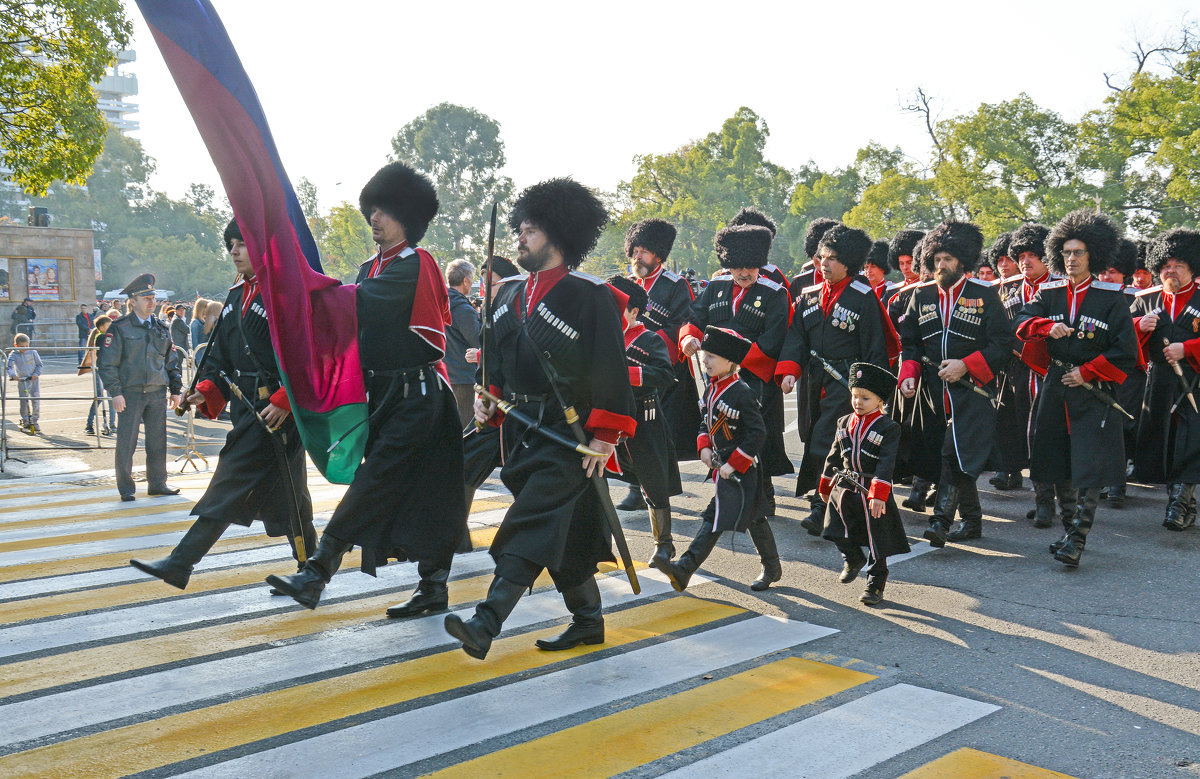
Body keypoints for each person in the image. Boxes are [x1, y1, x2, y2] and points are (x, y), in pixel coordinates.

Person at [444, 177, 636, 660]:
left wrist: (606, 436)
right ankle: (589, 622)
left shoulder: (591, 296)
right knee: (562, 534)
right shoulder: (507, 294)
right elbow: (494, 362)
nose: (520, 239)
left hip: (570, 436)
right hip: (521, 432)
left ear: (555, 234)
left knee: (529, 526)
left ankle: (486, 623)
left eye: (529, 231)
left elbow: (610, 366)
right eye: (519, 230)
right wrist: (488, 399)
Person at [267, 162, 468, 610]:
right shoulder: (370, 267)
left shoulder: (417, 264)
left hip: (420, 397)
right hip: (389, 398)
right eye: (371, 209)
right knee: (427, 495)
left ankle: (317, 573)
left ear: (407, 216)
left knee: (372, 483)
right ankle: (433, 589)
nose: (374, 217)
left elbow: (357, 307)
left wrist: (304, 286)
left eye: (384, 209)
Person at [130, 220, 316, 590]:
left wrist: (284, 400)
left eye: (242, 243)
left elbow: (306, 354)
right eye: (231, 243)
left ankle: (181, 562)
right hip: (247, 409)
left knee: (228, 484)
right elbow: (220, 359)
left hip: (276, 412)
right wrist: (206, 388)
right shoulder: (235, 295)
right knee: (292, 497)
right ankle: (311, 572)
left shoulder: (284, 294)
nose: (233, 250)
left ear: (263, 248)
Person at [1014, 209, 1136, 566]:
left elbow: (1126, 352)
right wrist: (1043, 327)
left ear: (1092, 255)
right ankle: (1069, 531)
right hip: (1056, 386)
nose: (1071, 259)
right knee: (1057, 461)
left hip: (1093, 390)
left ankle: (1078, 539)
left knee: (1091, 467)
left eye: (1078, 252)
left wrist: (1088, 372)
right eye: (1065, 252)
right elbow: (1021, 322)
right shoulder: (1048, 293)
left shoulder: (1111, 297)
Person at [898, 221, 1013, 547]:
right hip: (934, 392)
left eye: (947, 259)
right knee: (954, 457)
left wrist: (967, 365)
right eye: (936, 259)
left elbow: (1003, 345)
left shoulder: (985, 295)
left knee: (953, 453)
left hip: (973, 390)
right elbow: (911, 344)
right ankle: (973, 522)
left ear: (962, 261)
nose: (940, 265)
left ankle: (941, 522)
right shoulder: (920, 297)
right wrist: (908, 374)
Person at [777, 223, 897, 534]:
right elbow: (796, 338)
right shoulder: (809, 295)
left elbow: (875, 346)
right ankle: (829, 501)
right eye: (822, 257)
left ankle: (820, 506)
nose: (824, 264)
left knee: (827, 442)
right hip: (813, 382)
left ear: (849, 263)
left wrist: (870, 392)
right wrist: (790, 369)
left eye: (832, 258)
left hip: (846, 384)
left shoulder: (863, 297)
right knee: (811, 435)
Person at [680, 221, 792, 524]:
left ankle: (764, 490)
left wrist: (735, 360)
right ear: (728, 264)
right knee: (722, 435)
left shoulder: (775, 293)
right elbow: (694, 318)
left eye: (752, 267)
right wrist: (688, 336)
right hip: (719, 379)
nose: (745, 273)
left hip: (755, 378)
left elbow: (774, 338)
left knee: (759, 438)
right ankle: (722, 495)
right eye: (738, 267)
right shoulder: (715, 287)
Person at [655, 326, 768, 592]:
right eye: (705, 355)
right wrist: (704, 447)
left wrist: (734, 463)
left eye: (712, 357)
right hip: (722, 466)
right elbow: (705, 423)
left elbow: (757, 433)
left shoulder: (742, 391)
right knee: (754, 518)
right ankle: (772, 567)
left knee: (714, 517)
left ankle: (684, 568)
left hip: (741, 469)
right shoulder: (711, 388)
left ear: (730, 362)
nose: (705, 361)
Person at [621, 217, 701, 511]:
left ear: (658, 254)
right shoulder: (627, 285)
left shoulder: (675, 285)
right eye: (635, 251)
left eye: (643, 251)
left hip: (662, 370)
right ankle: (634, 485)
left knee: (655, 434)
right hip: (629, 369)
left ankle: (655, 490)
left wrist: (651, 351)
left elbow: (681, 323)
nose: (636, 257)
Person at [816, 362, 909, 606]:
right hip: (845, 487)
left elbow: (886, 463)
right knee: (833, 528)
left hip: (871, 491)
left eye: (865, 398)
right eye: (855, 396)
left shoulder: (888, 427)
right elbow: (834, 455)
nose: (857, 402)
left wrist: (878, 494)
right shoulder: (844, 422)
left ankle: (875, 584)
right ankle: (853, 557)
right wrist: (825, 484)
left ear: (880, 401)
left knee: (877, 541)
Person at [608, 274, 683, 567]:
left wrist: (625, 376)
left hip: (644, 420)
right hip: (608, 420)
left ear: (634, 312)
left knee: (653, 482)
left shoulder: (649, 339)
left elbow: (665, 375)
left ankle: (663, 545)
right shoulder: (604, 337)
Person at [1131, 227, 1200, 530]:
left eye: (1178, 265)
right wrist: (1138, 326)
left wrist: (1187, 348)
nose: (1170, 271)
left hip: (1195, 380)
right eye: (1165, 266)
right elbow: (1120, 339)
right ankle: (1182, 498)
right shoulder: (1146, 300)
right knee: (1166, 442)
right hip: (1158, 380)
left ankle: (1179, 503)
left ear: (1191, 268)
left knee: (1191, 440)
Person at [95, 274, 183, 501]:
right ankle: (126, 488)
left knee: (157, 441)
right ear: (132, 301)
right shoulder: (119, 328)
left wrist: (175, 389)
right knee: (127, 442)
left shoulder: (161, 327)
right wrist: (115, 392)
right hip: (130, 393)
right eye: (146, 298)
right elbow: (107, 363)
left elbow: (170, 361)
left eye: (153, 297)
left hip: (156, 392)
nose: (151, 301)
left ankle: (157, 483)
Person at [990, 223, 1052, 498]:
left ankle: (1044, 489)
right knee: (1007, 418)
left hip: (1043, 367)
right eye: (1021, 256)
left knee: (1039, 427)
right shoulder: (1009, 288)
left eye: (1032, 255)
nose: (1025, 261)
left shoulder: (1056, 286)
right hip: (1010, 366)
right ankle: (1009, 468)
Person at [445, 258, 482, 427]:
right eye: (472, 279)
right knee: (465, 425)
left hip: (443, 373)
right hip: (462, 376)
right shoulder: (462, 309)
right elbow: (477, 340)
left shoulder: (438, 304)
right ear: (465, 281)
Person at [78, 315, 115, 435]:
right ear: (102, 327)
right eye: (108, 325)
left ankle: (112, 423)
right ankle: (90, 423)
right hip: (102, 369)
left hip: (111, 368)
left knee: (111, 396)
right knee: (99, 396)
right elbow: (107, 349)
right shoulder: (102, 336)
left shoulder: (108, 336)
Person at [7, 332, 42, 434]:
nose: (25, 348)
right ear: (16, 346)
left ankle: (35, 420)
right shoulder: (14, 354)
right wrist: (13, 375)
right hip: (22, 380)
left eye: (27, 346)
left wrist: (36, 373)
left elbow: (39, 364)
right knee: (23, 401)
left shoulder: (33, 352)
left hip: (33, 379)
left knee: (35, 400)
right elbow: (9, 366)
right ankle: (26, 420)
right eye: (22, 346)